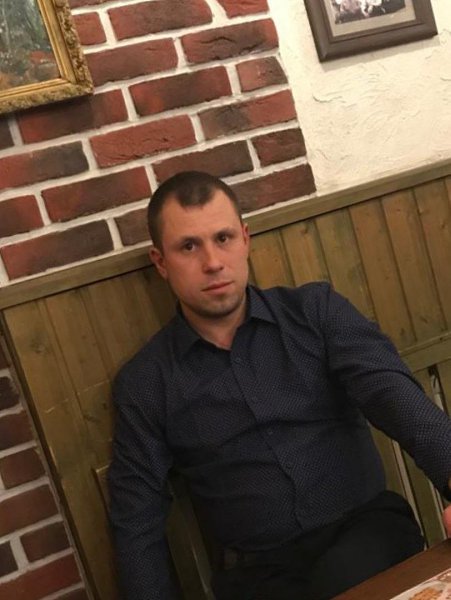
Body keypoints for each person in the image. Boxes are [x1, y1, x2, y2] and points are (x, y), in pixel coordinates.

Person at [108, 171, 451, 600]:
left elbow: (395, 398)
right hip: (258, 575)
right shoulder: (146, 383)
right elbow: (136, 519)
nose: (213, 262)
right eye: (189, 246)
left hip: (364, 535)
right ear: (161, 262)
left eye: (223, 238)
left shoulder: (316, 313)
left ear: (245, 239)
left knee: (344, 578)